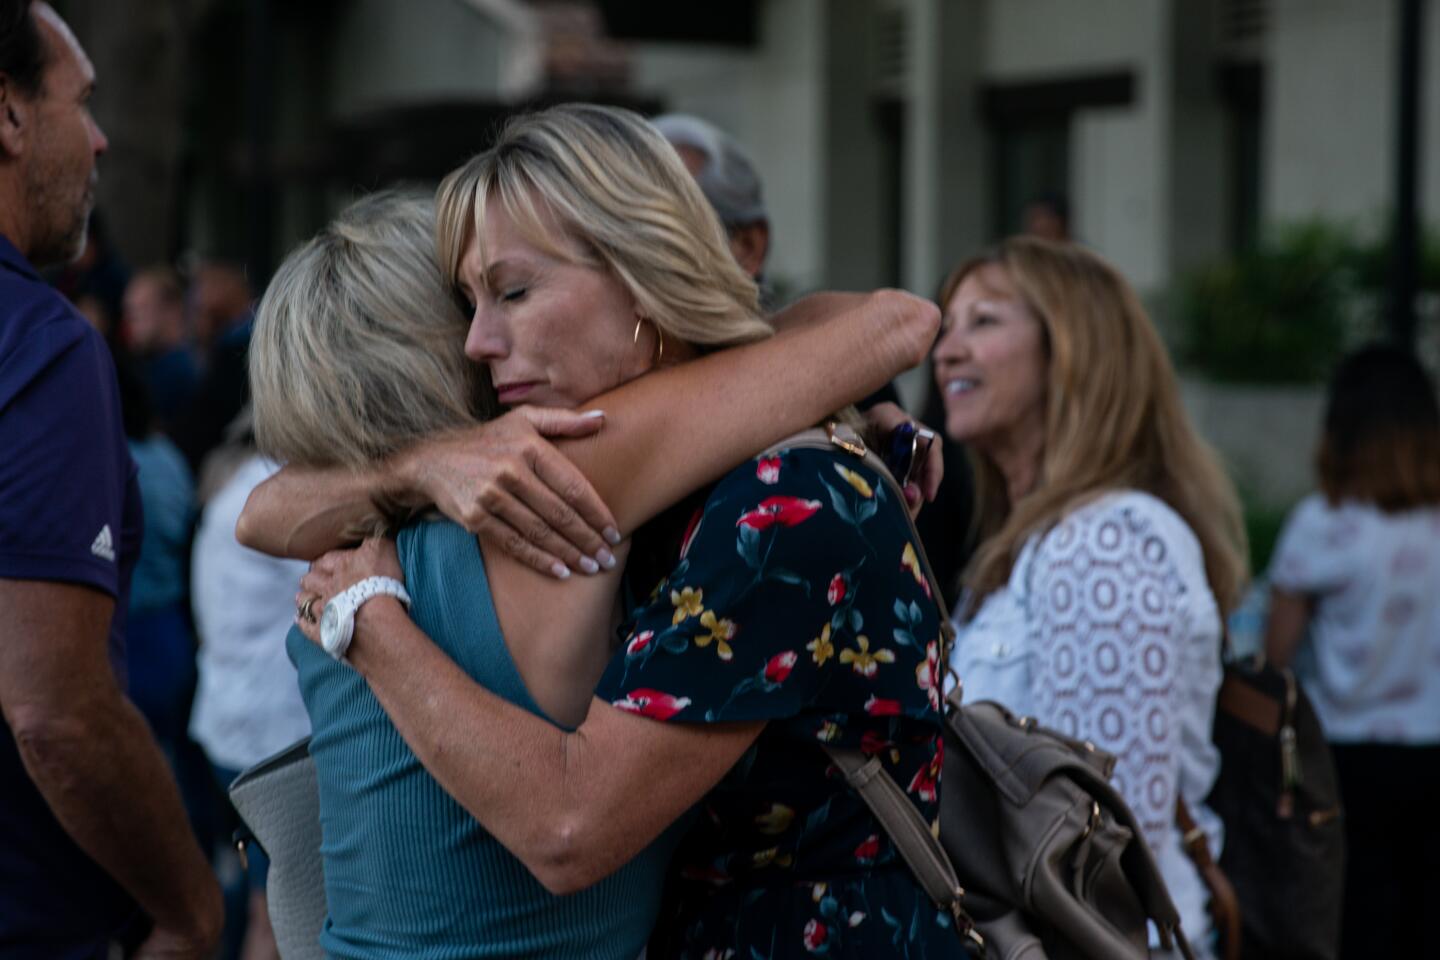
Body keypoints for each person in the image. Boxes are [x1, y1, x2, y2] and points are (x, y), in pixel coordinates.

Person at [249, 105, 948, 959]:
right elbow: (266, 511)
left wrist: (371, 620)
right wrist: (425, 464)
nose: (477, 343)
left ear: (643, 270)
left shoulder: (783, 493)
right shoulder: (647, 469)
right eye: (469, 302)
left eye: (513, 292)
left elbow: (569, 829)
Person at [932, 237, 1248, 956]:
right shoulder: (1031, 545)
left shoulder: (1102, 542)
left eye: (984, 321)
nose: (946, 350)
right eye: (947, 325)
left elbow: (1102, 848)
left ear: (1072, 349)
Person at [0, 2, 222, 956]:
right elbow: (57, 710)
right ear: (7, 115)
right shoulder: (41, 349)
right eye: (79, 102)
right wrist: (190, 907)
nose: (98, 141)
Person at [1264, 344, 1440, 960]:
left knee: (1356, 922)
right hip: (1432, 749)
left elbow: (1275, 659)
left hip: (1343, 758)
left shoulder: (1320, 522)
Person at [654, 111, 904, 415]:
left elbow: (912, 320)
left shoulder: (845, 375)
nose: (637, 255)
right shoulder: (610, 376)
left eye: (666, 227)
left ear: (748, 246)